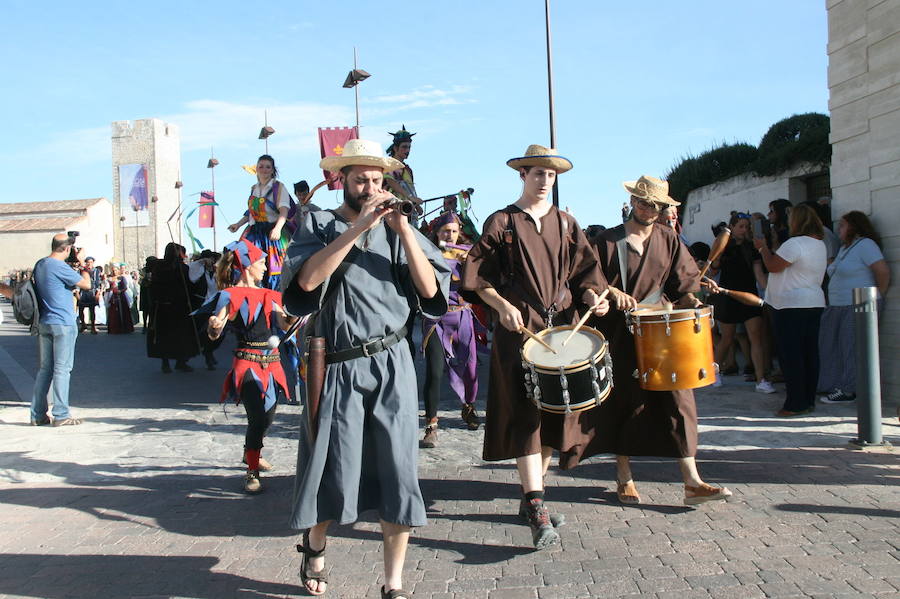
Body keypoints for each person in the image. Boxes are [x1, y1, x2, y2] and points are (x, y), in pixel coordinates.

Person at [282, 138, 450, 598]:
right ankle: (315, 545)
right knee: (333, 467)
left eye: (377, 180)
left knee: (399, 471)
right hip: (338, 366)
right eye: (361, 179)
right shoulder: (317, 222)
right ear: (343, 180)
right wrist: (358, 227)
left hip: (393, 364)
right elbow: (307, 281)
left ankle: (393, 583)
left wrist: (402, 231)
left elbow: (433, 292)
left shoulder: (402, 228)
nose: (371, 187)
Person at [461, 145, 610, 549]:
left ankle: (532, 499)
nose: (544, 180)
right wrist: (502, 306)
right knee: (527, 413)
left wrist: (597, 297)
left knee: (551, 413)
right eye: (537, 173)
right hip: (519, 330)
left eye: (551, 174)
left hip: (560, 328)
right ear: (522, 175)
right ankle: (536, 504)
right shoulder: (502, 222)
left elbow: (588, 274)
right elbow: (476, 278)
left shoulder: (566, 223)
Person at [587, 175, 732, 507]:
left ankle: (692, 482)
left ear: (663, 208)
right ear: (633, 202)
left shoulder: (669, 239)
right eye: (642, 201)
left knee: (680, 403)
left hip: (661, 333)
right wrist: (611, 291)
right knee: (626, 404)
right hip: (620, 334)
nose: (648, 208)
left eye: (655, 204)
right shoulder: (608, 241)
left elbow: (685, 282)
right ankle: (625, 477)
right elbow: (588, 279)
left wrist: (691, 301)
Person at [205, 239, 294, 493]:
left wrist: (292, 317)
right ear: (247, 266)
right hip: (247, 364)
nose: (266, 267)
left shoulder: (269, 295)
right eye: (262, 263)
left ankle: (250, 452)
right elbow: (215, 331)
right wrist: (214, 325)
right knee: (256, 418)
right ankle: (251, 472)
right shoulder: (230, 295)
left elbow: (284, 324)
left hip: (273, 364)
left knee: (268, 418)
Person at [754, 203, 827, 417]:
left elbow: (773, 266)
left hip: (790, 305)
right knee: (809, 354)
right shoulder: (819, 244)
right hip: (812, 302)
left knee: (791, 356)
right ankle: (807, 399)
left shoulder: (795, 243)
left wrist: (762, 247)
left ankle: (795, 403)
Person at [420, 211, 486, 447]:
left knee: (470, 370)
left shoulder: (468, 255)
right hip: (436, 320)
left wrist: (471, 265)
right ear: (437, 232)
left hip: (463, 317)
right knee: (435, 371)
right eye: (446, 230)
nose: (450, 234)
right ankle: (431, 426)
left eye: (454, 231)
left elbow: (480, 284)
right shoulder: (426, 254)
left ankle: (469, 406)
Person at [818, 211, 890, 404]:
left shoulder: (866, 245)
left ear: (854, 226)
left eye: (843, 225)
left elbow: (882, 271)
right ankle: (834, 384)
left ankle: (849, 389)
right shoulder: (844, 249)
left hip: (856, 305)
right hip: (837, 305)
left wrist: (877, 297)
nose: (838, 228)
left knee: (851, 348)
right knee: (832, 346)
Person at [30, 233, 93, 426]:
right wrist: (82, 263)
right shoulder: (59, 267)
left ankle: (37, 414)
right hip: (63, 323)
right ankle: (61, 414)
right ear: (67, 249)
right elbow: (87, 285)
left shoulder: (41, 264)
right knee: (62, 370)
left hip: (45, 321)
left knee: (44, 370)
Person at [710, 213, 774, 393]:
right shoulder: (723, 246)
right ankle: (715, 373)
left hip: (749, 296)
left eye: (747, 226)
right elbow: (713, 272)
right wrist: (715, 259)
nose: (744, 230)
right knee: (727, 340)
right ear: (732, 227)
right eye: (741, 226)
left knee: (756, 338)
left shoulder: (752, 247)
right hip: (727, 297)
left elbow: (759, 275)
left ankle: (761, 380)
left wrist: (770, 292)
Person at [227, 154, 293, 290]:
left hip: (272, 233)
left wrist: (277, 229)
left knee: (274, 267)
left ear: (272, 170)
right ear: (256, 169)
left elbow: (284, 210)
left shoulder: (278, 187)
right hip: (255, 232)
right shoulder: (254, 189)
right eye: (261, 166)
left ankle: (275, 298)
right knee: (246, 262)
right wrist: (238, 225)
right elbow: (251, 212)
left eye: (268, 167)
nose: (264, 169)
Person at [146, 243, 200, 373]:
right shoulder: (165, 267)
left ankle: (177, 362)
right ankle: (171, 362)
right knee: (168, 335)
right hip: (169, 307)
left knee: (176, 335)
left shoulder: (177, 268)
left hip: (175, 307)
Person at [383, 125, 422, 219]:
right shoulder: (389, 164)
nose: (407, 150)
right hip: (390, 211)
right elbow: (390, 181)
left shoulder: (408, 170)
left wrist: (416, 205)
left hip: (407, 211)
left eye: (409, 147)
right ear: (395, 148)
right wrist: (410, 197)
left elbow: (409, 189)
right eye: (404, 147)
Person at [104, 266, 134, 334]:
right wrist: (111, 289)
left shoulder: (122, 278)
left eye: (116, 270)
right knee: (113, 312)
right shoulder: (109, 279)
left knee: (123, 311)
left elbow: (125, 287)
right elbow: (106, 288)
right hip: (113, 297)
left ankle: (125, 328)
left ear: (118, 270)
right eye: (113, 270)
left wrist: (120, 291)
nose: (114, 272)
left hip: (121, 296)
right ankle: (114, 328)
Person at [76, 257, 102, 334]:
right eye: (88, 262)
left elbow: (98, 281)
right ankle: (83, 324)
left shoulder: (96, 271)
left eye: (91, 262)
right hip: (83, 292)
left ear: (93, 263)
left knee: (92, 309)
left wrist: (98, 292)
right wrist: (77, 292)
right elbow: (77, 280)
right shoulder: (81, 271)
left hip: (92, 292)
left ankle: (93, 326)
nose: (89, 264)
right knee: (81, 309)